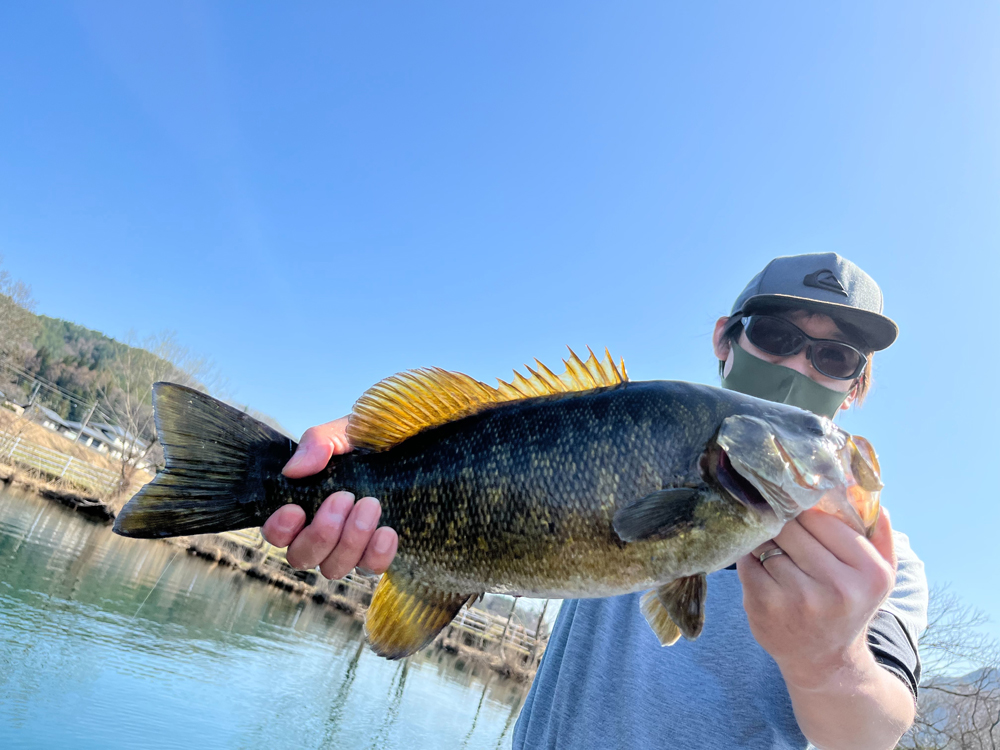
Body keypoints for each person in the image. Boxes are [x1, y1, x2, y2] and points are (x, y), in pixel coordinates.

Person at [261, 253, 927, 750]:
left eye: (835, 357)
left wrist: (828, 660)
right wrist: (372, 457)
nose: (798, 368)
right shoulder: (650, 430)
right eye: (777, 338)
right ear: (726, 339)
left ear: (857, 387)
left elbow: (875, 729)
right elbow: (507, 448)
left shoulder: (877, 564)